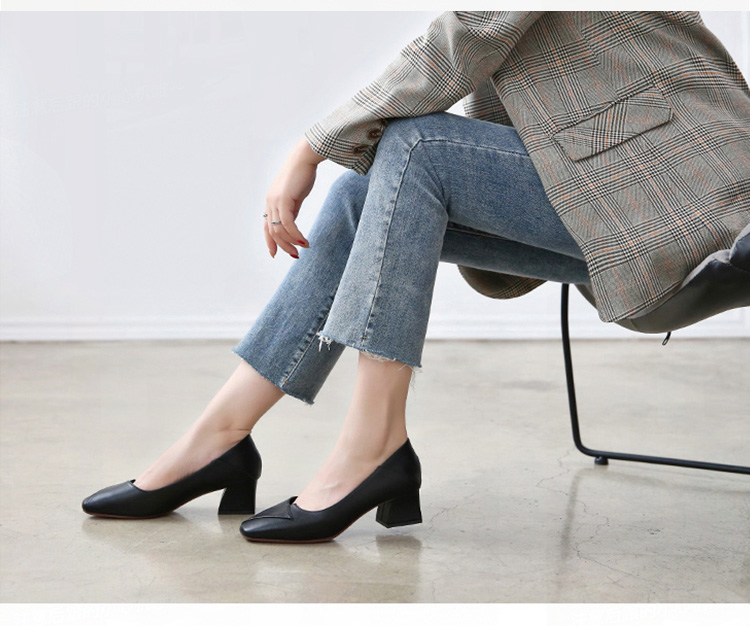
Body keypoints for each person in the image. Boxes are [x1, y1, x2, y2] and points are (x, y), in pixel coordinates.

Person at [81, 11, 750, 543]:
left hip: (683, 194)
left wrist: (309, 146)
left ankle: (374, 444)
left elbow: (469, 32)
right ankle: (221, 437)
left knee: (417, 146)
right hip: (616, 195)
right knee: (360, 191)